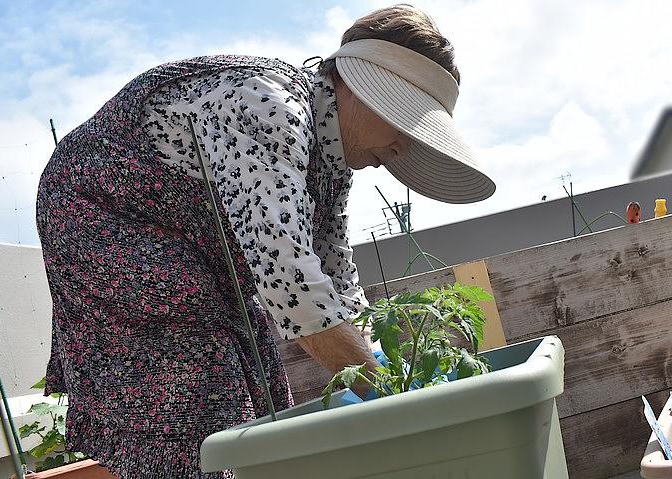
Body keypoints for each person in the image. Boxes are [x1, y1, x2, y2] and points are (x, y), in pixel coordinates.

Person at [35, 4, 495, 478]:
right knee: (193, 377)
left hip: (184, 233)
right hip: (102, 213)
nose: (404, 147)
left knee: (256, 366)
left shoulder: (330, 161)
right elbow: (291, 288)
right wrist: (397, 398)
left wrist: (375, 352)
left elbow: (333, 275)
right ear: (361, 87)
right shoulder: (270, 107)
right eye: (407, 122)